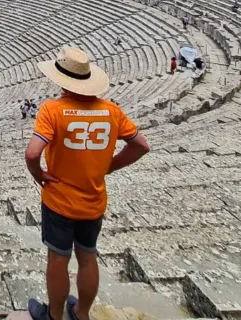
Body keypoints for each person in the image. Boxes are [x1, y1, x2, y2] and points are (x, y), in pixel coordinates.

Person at [25, 46, 149, 320]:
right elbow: (141, 145)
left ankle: (54, 317)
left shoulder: (52, 109)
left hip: (59, 201)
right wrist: (108, 167)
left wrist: (39, 174)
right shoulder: (111, 111)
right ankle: (81, 313)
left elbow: (33, 153)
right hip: (93, 200)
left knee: (58, 260)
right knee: (87, 256)